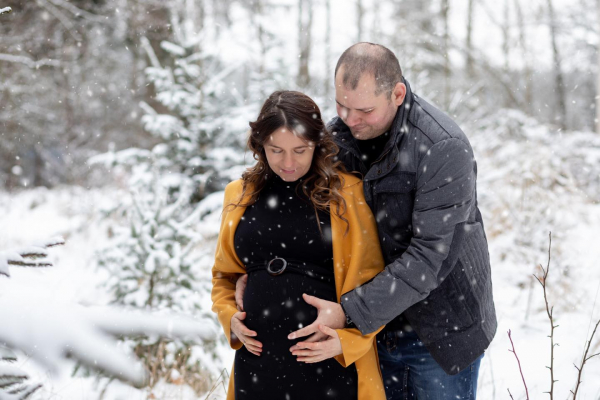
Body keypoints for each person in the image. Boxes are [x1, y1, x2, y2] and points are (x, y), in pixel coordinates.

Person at [236, 43, 497, 399]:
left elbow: (429, 258)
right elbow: (293, 205)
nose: (349, 118)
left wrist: (347, 312)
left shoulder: (442, 147)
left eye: (364, 110)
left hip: (438, 333)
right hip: (374, 331)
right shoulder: (340, 137)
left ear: (398, 93)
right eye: (341, 105)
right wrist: (255, 274)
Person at [211, 90, 387, 400]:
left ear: (317, 145)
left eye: (300, 150)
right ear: (259, 146)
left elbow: (375, 288)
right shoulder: (238, 195)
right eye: (275, 150)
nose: (288, 163)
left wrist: (346, 342)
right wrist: (231, 321)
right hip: (257, 369)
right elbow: (224, 277)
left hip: (328, 368)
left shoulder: (348, 195)